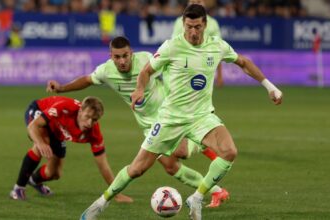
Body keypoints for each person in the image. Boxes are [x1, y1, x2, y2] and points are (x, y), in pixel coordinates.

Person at [80, 4, 283, 220]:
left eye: (197, 27)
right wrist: (139, 88)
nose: (193, 32)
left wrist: (270, 87)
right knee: (138, 169)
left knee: (229, 151)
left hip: (202, 116)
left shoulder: (217, 46)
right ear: (183, 25)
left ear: (205, 24)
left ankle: (197, 197)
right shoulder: (171, 47)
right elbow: (147, 70)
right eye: (188, 27)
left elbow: (243, 62)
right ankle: (101, 203)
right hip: (170, 118)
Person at [46, 36, 229, 208]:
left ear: (131, 53)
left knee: (181, 152)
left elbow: (170, 71)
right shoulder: (106, 71)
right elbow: (87, 80)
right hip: (148, 126)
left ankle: (203, 141)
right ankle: (217, 191)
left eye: (125, 56)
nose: (122, 61)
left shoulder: (145, 60)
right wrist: (62, 88)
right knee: (171, 166)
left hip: (169, 116)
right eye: (117, 57)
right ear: (111, 57)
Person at [9, 96, 132, 203]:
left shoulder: (94, 134)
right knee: (42, 143)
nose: (89, 123)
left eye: (94, 119)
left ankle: (34, 180)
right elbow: (33, 126)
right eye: (87, 116)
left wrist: (115, 193)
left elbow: (103, 165)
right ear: (80, 111)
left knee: (54, 173)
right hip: (39, 112)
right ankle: (18, 188)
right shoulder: (64, 108)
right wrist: (40, 143)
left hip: (57, 129)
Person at [172, 0, 224, 87]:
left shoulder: (213, 23)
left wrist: (219, 75)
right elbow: (174, 47)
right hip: (183, 69)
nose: (195, 4)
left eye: (199, 1)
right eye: (192, 2)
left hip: (204, 69)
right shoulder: (179, 21)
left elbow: (217, 49)